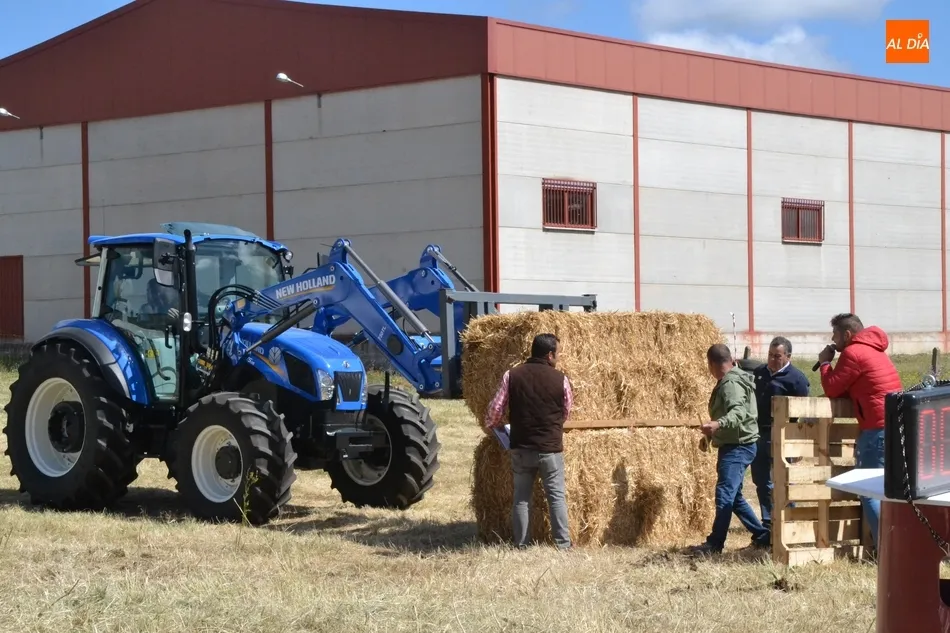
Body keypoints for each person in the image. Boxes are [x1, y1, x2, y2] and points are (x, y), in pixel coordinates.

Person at [816, 313, 902, 549]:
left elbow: (833, 388)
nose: (833, 340)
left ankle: (887, 553)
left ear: (847, 334)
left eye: (835, 335)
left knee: (868, 490)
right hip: (894, 427)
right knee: (888, 491)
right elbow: (854, 386)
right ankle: (895, 546)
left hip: (876, 429)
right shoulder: (875, 350)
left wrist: (825, 363)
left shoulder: (853, 352)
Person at [484, 333, 574, 550]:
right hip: (550, 449)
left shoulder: (512, 375)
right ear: (550, 354)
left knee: (521, 499)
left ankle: (522, 544)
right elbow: (566, 412)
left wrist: (494, 425)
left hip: (521, 447)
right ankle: (563, 544)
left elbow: (495, 410)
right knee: (556, 498)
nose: (558, 358)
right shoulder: (560, 379)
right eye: (557, 354)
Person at [686, 343, 770, 556]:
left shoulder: (731, 384)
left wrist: (718, 424)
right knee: (734, 496)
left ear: (711, 364)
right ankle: (763, 536)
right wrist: (713, 434)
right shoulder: (735, 377)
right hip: (738, 443)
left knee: (725, 494)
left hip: (737, 447)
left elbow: (738, 412)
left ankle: (715, 544)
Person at [751, 336, 811, 538]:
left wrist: (799, 442)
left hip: (785, 433)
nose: (772, 360)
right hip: (759, 433)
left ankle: (788, 520)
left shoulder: (797, 379)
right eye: (769, 355)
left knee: (783, 481)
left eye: (777, 356)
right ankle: (768, 523)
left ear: (788, 356)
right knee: (761, 480)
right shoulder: (759, 373)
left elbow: (805, 411)